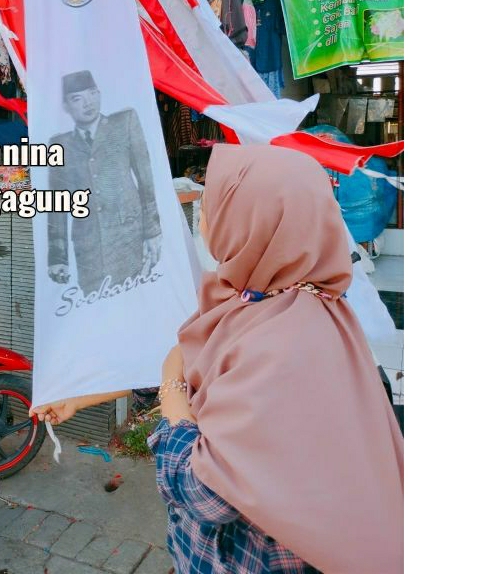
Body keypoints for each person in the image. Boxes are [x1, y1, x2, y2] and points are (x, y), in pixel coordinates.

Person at [35, 144, 404, 574]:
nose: (206, 220)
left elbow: (203, 493)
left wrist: (172, 392)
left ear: (252, 224)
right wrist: (86, 396)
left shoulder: (281, 341)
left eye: (213, 207)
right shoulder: (281, 299)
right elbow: (207, 371)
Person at [47, 70, 162, 295]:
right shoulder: (60, 144)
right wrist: (57, 256)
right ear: (66, 106)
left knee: (136, 302)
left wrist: (153, 231)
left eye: (92, 93)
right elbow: (56, 203)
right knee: (96, 311)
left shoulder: (125, 122)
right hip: (88, 248)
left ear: (99, 93)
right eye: (77, 98)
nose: (88, 103)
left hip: (129, 238)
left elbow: (146, 180)